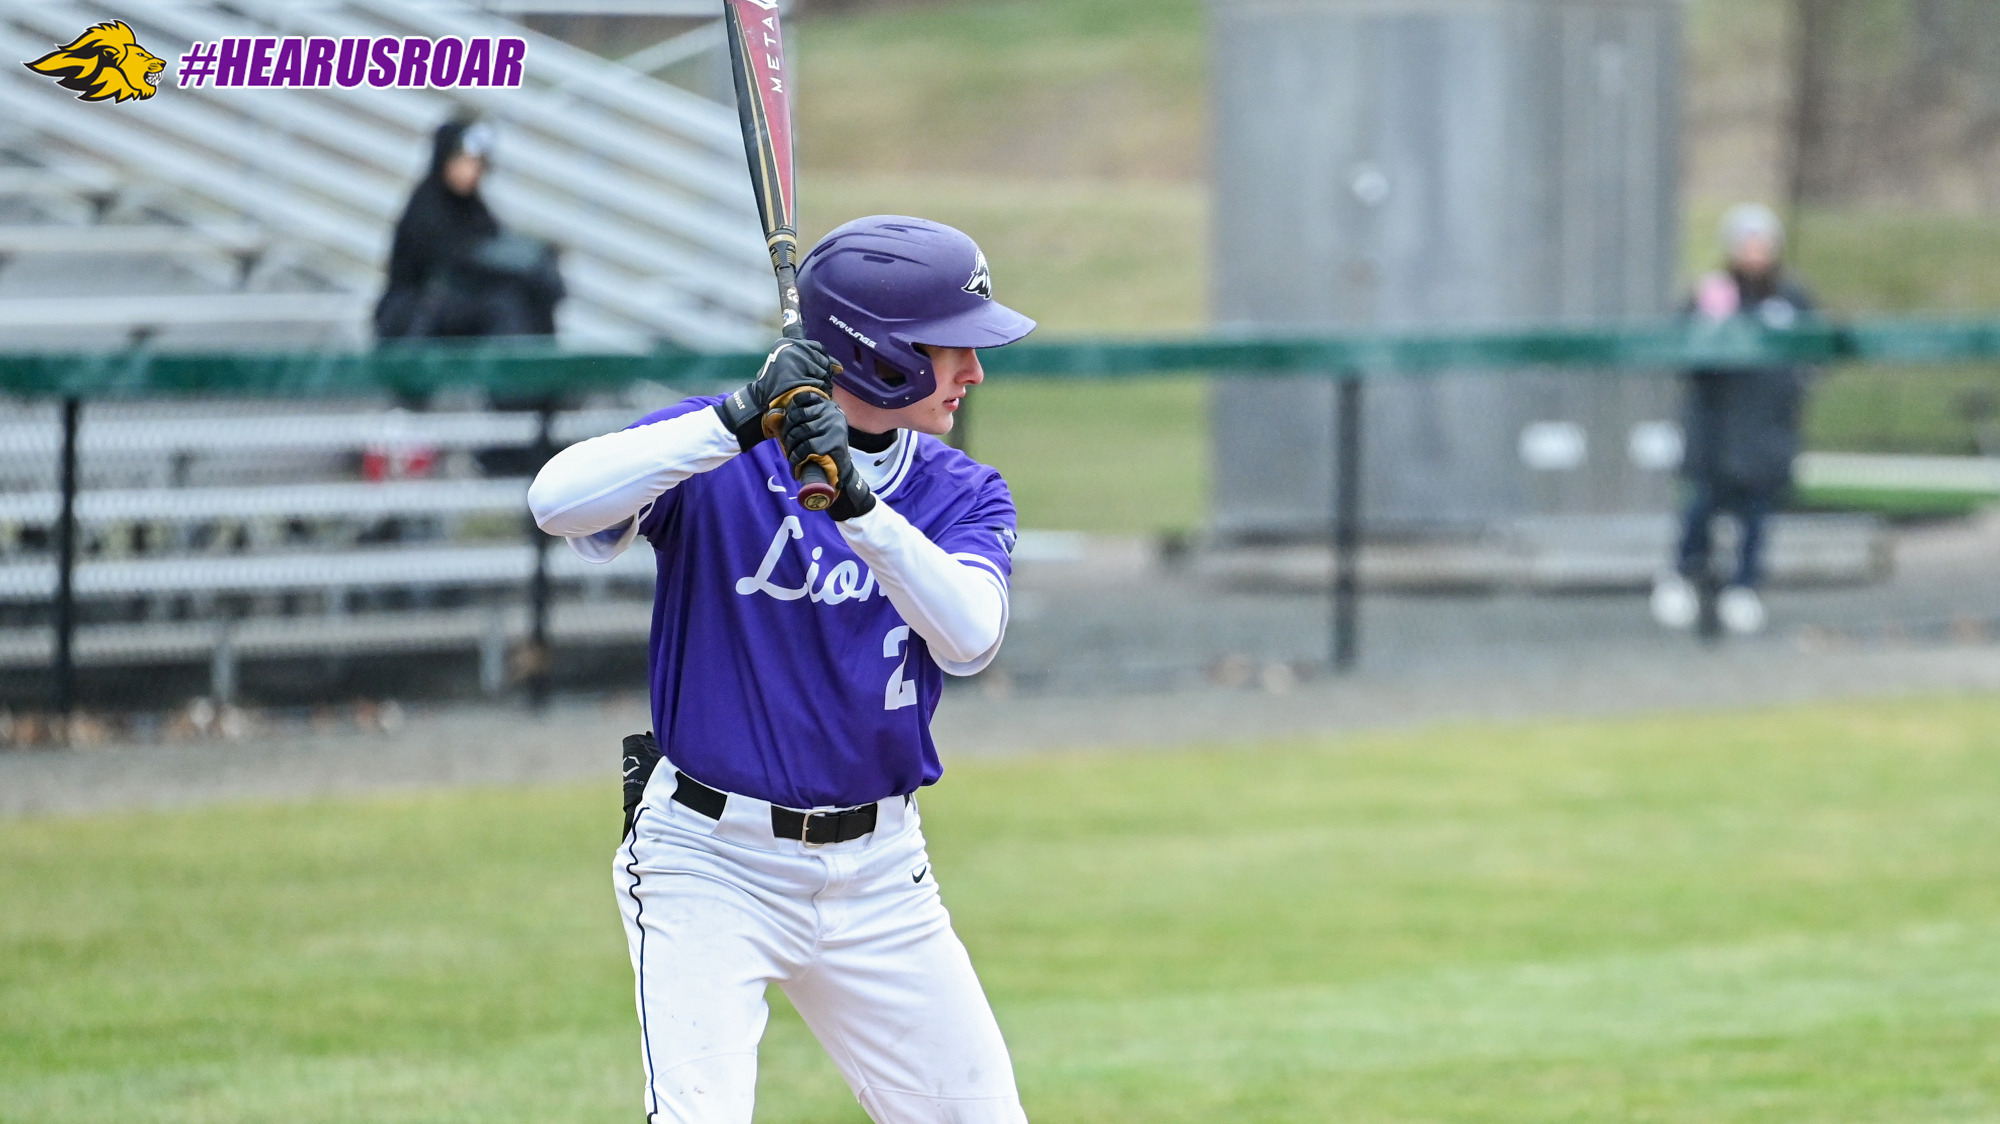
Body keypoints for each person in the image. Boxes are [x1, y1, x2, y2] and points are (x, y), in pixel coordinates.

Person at [527, 216, 1036, 1124]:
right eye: (951, 348)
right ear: (882, 356)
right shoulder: (721, 455)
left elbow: (970, 637)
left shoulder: (963, 490)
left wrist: (860, 509)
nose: (974, 371)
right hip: (708, 863)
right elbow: (556, 502)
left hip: (883, 873)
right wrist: (732, 418)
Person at [1651, 203, 1817, 635]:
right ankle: (1685, 575)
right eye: (1747, 243)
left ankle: (1745, 586)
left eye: (1762, 243)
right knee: (1701, 505)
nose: (1755, 252)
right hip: (1717, 425)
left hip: (1767, 427)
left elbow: (1814, 354)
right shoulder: (1714, 293)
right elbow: (1687, 355)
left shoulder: (1791, 299)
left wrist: (1793, 389)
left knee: (1758, 512)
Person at [373, 116, 563, 342]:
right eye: (463, 161)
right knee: (503, 308)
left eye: (477, 163)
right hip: (414, 318)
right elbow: (453, 259)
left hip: (451, 312)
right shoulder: (427, 207)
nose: (471, 171)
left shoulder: (474, 209)